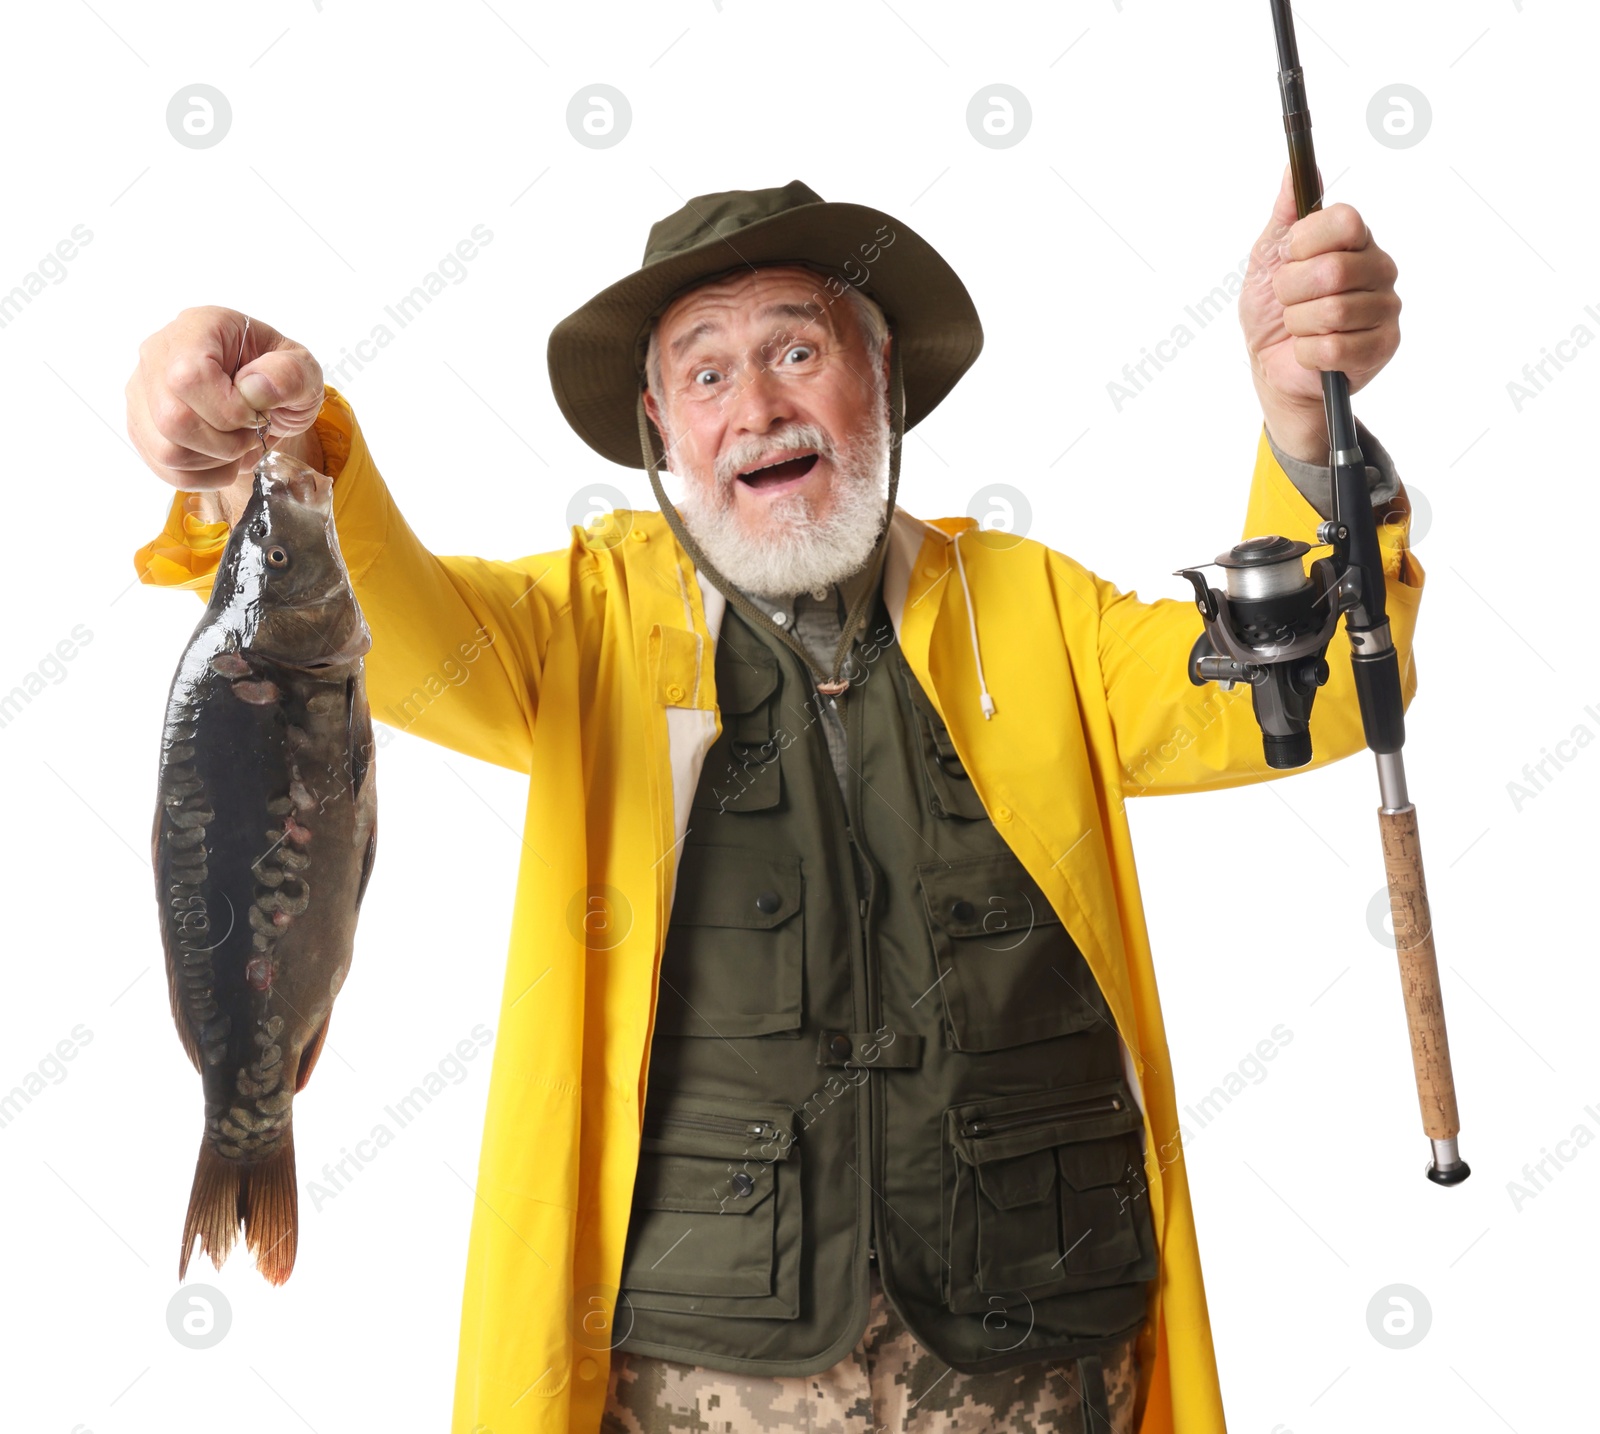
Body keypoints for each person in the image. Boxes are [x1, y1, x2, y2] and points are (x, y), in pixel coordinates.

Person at [129, 174, 1419, 1434]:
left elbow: (1298, 695)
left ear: (883, 385)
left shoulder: (1027, 607)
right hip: (696, 1378)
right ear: (660, 428)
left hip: (1036, 1364)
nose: (754, 406)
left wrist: (1304, 432)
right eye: (705, 372)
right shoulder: (589, 625)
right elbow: (380, 626)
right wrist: (267, 450)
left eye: (799, 351)